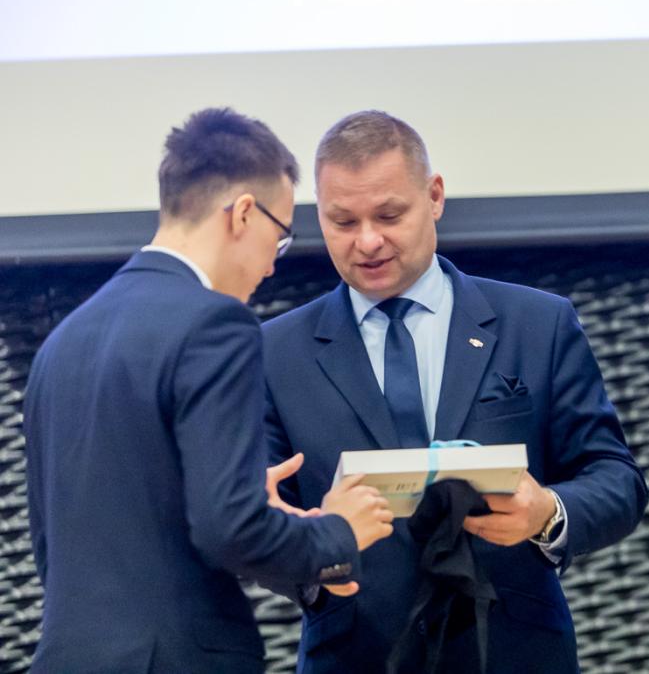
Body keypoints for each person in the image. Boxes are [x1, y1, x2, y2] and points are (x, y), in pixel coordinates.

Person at [261, 110, 648, 673]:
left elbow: (617, 480)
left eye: (389, 215)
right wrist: (310, 543)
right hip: (355, 656)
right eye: (342, 222)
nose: (367, 241)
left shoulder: (537, 324)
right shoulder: (273, 353)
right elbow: (255, 522)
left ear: (435, 196)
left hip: (514, 654)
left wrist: (547, 512)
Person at [23, 107, 394, 673]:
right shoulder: (214, 323)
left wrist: (235, 490)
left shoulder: (64, 340)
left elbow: (57, 540)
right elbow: (231, 529)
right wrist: (337, 532)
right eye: (280, 237)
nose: (271, 267)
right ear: (243, 213)